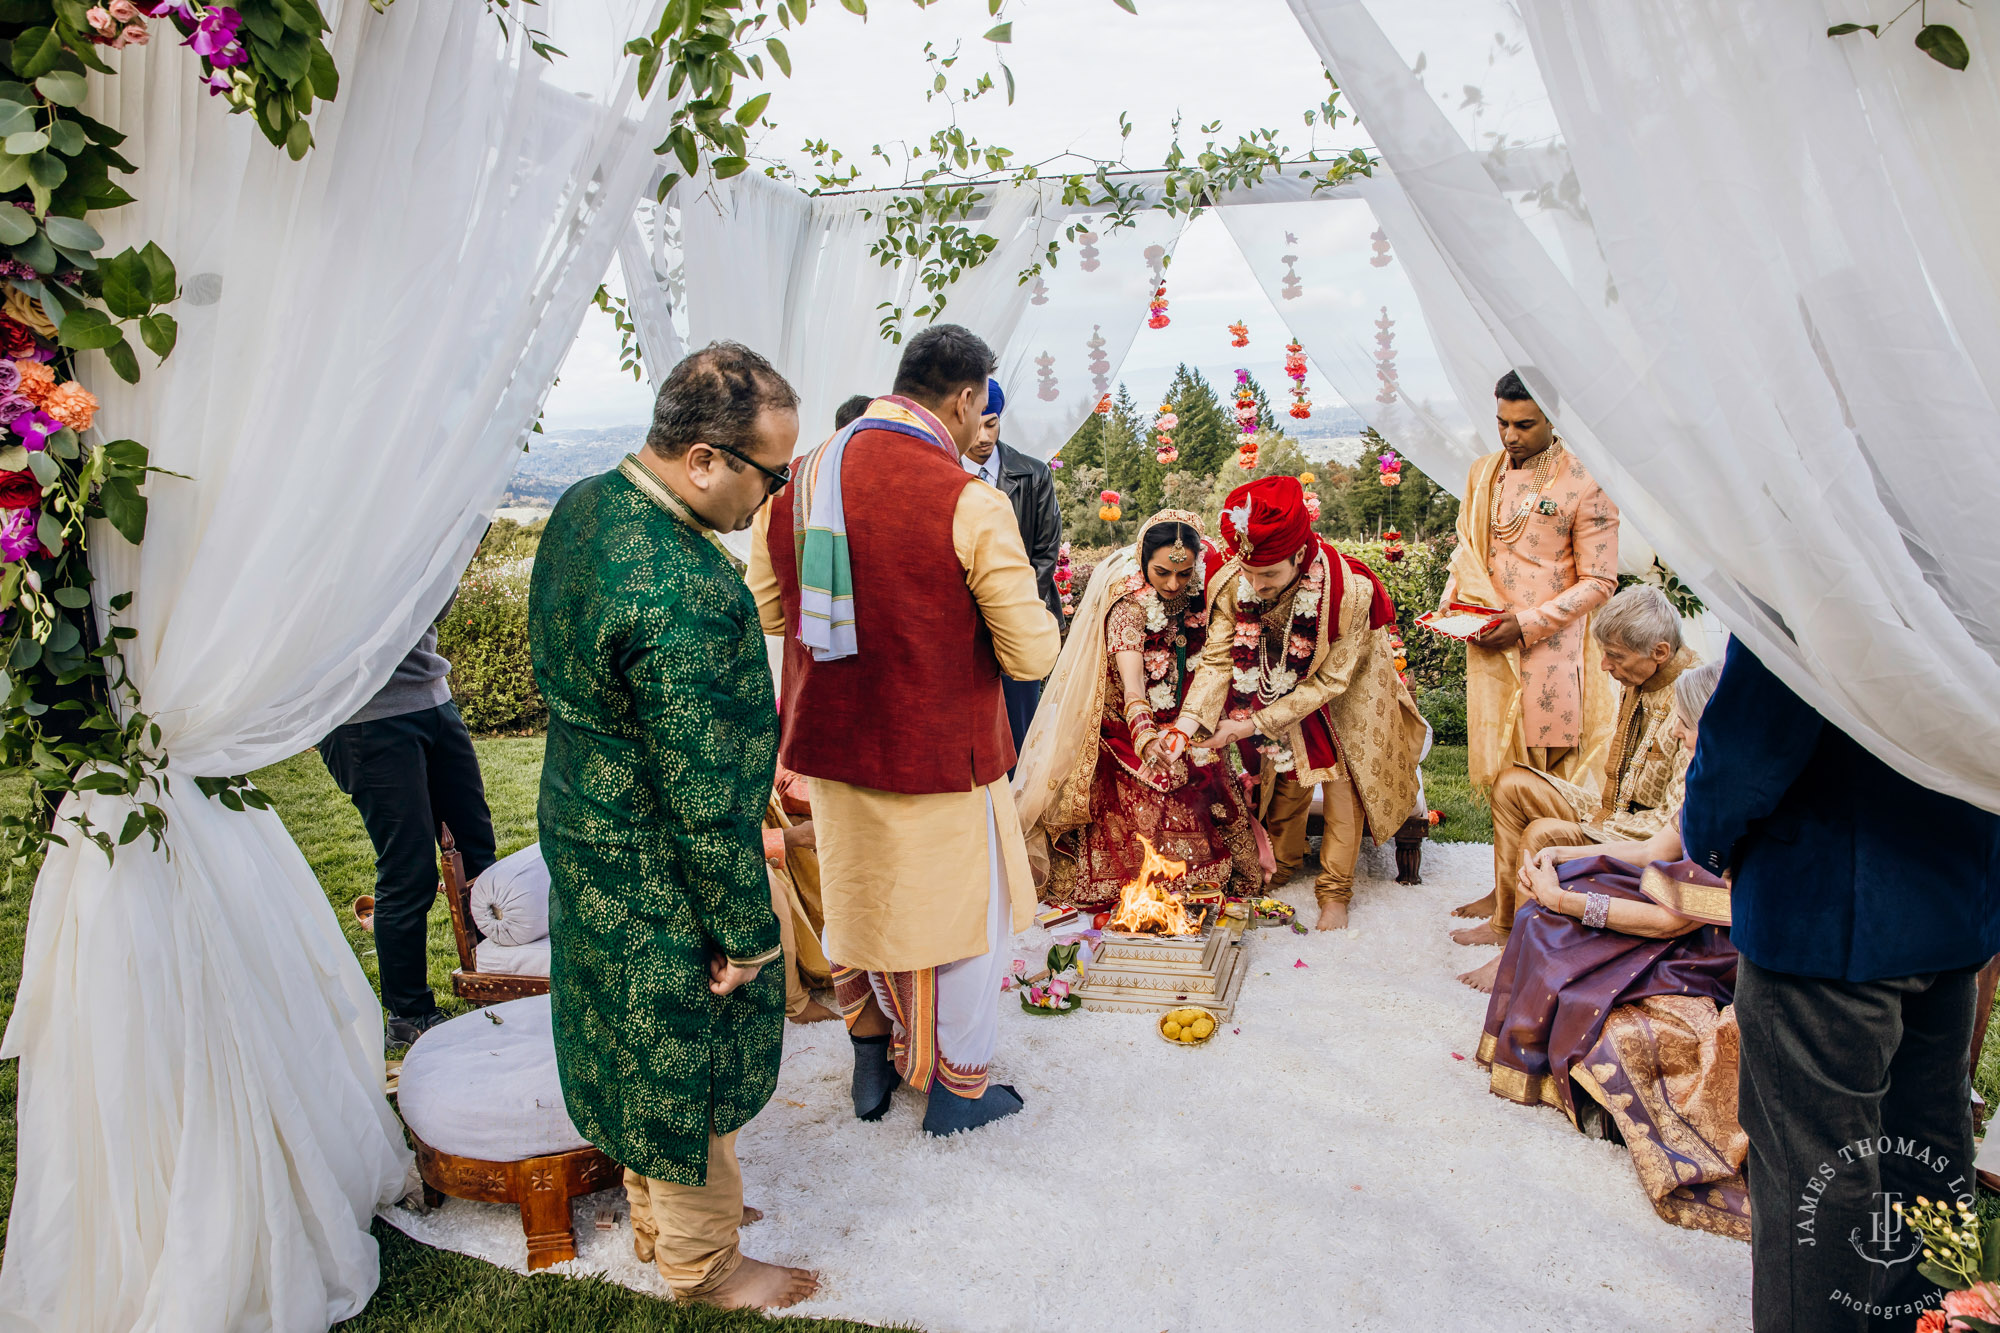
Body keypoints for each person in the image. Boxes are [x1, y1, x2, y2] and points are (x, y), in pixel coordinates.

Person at [529, 341, 817, 1311]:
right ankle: (705, 1265)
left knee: (631, 1043)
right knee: (689, 1060)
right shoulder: (687, 592)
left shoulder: (582, 505)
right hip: (661, 861)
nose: (771, 497)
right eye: (767, 474)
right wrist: (742, 931)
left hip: (586, 827)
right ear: (702, 458)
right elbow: (702, 799)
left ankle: (659, 1225)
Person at [748, 323, 1060, 1137]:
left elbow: (772, 610)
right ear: (964, 399)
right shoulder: (967, 497)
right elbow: (1029, 652)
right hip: (938, 746)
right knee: (963, 918)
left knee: (860, 896)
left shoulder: (799, 482)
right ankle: (957, 1090)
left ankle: (870, 1048)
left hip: (834, 742)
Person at [1680, 640, 2000, 1332]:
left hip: (1824, 905)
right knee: (1927, 1154)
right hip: (1953, 889)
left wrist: (1707, 835)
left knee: (1814, 1180)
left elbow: (1752, 735)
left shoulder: (1827, 534)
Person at [1478, 661, 1747, 1241]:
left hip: (1706, 945)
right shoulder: (1708, 775)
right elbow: (1656, 846)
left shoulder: (1737, 806)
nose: (1675, 734)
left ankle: (1577, 1075)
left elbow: (1667, 923)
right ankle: (1546, 1064)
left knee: (1559, 931)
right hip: (1668, 900)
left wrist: (1569, 901)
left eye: (1684, 724)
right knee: (1538, 915)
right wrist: (1565, 864)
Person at [1180, 476, 1427, 931]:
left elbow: (1332, 680)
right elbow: (1216, 661)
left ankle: (1336, 890)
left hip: (1350, 684)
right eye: (1248, 570)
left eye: (1269, 574)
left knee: (1342, 780)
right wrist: (1188, 722)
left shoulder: (1351, 591)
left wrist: (1250, 722)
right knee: (1285, 769)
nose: (1255, 584)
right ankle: (1284, 863)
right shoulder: (1237, 584)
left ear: (1299, 554)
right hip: (1280, 678)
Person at [1452, 584, 1701, 989]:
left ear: (1659, 652)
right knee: (1512, 783)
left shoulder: (1693, 699)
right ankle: (1503, 913)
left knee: (1542, 834)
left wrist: (1597, 828)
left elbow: (1671, 825)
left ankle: (1514, 954)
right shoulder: (1646, 675)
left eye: (1615, 656)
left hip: (1642, 833)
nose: (1603, 666)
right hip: (1613, 811)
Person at [1013, 510, 1262, 910]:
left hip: (1182, 723)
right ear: (1142, 560)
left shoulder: (1204, 593)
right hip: (1126, 731)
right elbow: (1132, 684)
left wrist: (1183, 727)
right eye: (1161, 572)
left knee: (1219, 844)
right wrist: (1146, 734)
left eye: (1183, 574)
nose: (1172, 583)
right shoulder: (1127, 603)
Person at [318, 605, 497, 1048]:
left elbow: (432, 605)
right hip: (365, 718)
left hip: (433, 698)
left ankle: (500, 978)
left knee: (479, 856)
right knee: (409, 870)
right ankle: (409, 1016)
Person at [1448, 370, 1620, 798]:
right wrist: (1453, 607)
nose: (1510, 436)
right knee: (1499, 782)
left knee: (1547, 787)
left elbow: (1600, 581)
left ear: (1553, 418)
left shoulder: (1585, 480)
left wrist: (1525, 624)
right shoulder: (1483, 473)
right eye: (1502, 423)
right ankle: (1506, 868)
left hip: (1550, 650)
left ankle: (1546, 865)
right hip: (1488, 642)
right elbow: (1468, 552)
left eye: (1524, 425)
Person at [961, 378, 1064, 761]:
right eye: (978, 424)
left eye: (993, 423)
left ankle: (1020, 809)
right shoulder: (945, 473)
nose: (984, 435)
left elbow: (1044, 553)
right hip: (964, 624)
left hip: (1021, 619)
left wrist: (1008, 607)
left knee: (1020, 725)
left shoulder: (1033, 473)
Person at [761, 762, 839, 1024]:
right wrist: (790, 838)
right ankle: (795, 1004)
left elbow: (777, 777)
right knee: (771, 887)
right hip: (731, 856)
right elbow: (715, 844)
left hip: (765, 831)